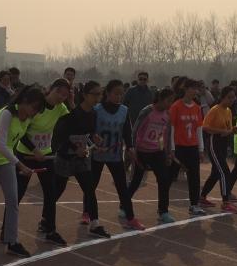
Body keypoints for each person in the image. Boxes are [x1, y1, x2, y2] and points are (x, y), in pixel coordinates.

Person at [0, 85, 46, 255]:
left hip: (6, 161)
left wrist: (35, 150)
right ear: (25, 101)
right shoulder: (7, 113)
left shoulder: (27, 118)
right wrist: (21, 165)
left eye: (38, 110)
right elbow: (1, 145)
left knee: (13, 201)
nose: (35, 112)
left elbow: (21, 137)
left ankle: (12, 241)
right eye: (34, 107)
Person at [14, 78, 70, 246]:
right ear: (50, 89)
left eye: (65, 95)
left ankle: (49, 229)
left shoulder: (61, 108)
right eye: (59, 92)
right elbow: (21, 133)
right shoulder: (37, 106)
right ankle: (6, 230)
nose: (61, 97)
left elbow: (73, 123)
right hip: (26, 156)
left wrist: (73, 103)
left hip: (46, 156)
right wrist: (34, 150)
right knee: (17, 194)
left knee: (51, 193)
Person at [51, 80, 111, 237]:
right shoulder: (72, 114)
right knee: (57, 190)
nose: (98, 98)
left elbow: (89, 133)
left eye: (100, 94)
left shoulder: (94, 113)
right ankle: (46, 220)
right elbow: (61, 136)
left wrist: (94, 139)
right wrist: (74, 148)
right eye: (94, 94)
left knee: (89, 189)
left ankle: (95, 224)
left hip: (82, 158)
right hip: (65, 157)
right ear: (84, 95)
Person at [93, 79, 143, 228]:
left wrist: (130, 147)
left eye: (121, 94)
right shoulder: (97, 110)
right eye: (116, 93)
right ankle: (87, 213)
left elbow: (127, 131)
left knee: (122, 187)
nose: (119, 97)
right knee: (91, 186)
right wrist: (94, 143)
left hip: (115, 155)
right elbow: (89, 130)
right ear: (107, 93)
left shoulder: (124, 110)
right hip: (97, 154)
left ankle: (130, 218)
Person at [127, 88, 175, 223]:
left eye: (172, 101)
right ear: (160, 99)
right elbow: (135, 130)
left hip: (157, 151)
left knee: (164, 180)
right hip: (142, 151)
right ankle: (124, 205)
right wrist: (132, 148)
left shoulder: (167, 115)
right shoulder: (147, 111)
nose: (170, 104)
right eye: (168, 101)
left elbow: (165, 135)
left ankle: (163, 211)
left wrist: (167, 153)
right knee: (136, 180)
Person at [199, 85, 237, 212]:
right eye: (229, 97)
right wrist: (222, 131)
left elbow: (227, 129)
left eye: (233, 97)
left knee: (216, 173)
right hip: (214, 143)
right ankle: (226, 202)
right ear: (222, 97)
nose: (232, 100)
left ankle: (202, 197)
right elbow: (205, 127)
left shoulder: (228, 111)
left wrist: (232, 130)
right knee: (224, 171)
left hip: (223, 144)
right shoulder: (215, 110)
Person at [169, 77, 205, 215]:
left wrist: (201, 149)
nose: (195, 91)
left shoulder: (197, 108)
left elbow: (199, 129)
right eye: (193, 88)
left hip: (192, 147)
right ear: (185, 89)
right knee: (169, 176)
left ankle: (194, 204)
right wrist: (172, 148)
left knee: (194, 176)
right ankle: (163, 206)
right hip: (178, 148)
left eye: (197, 89)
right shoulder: (176, 106)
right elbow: (171, 128)